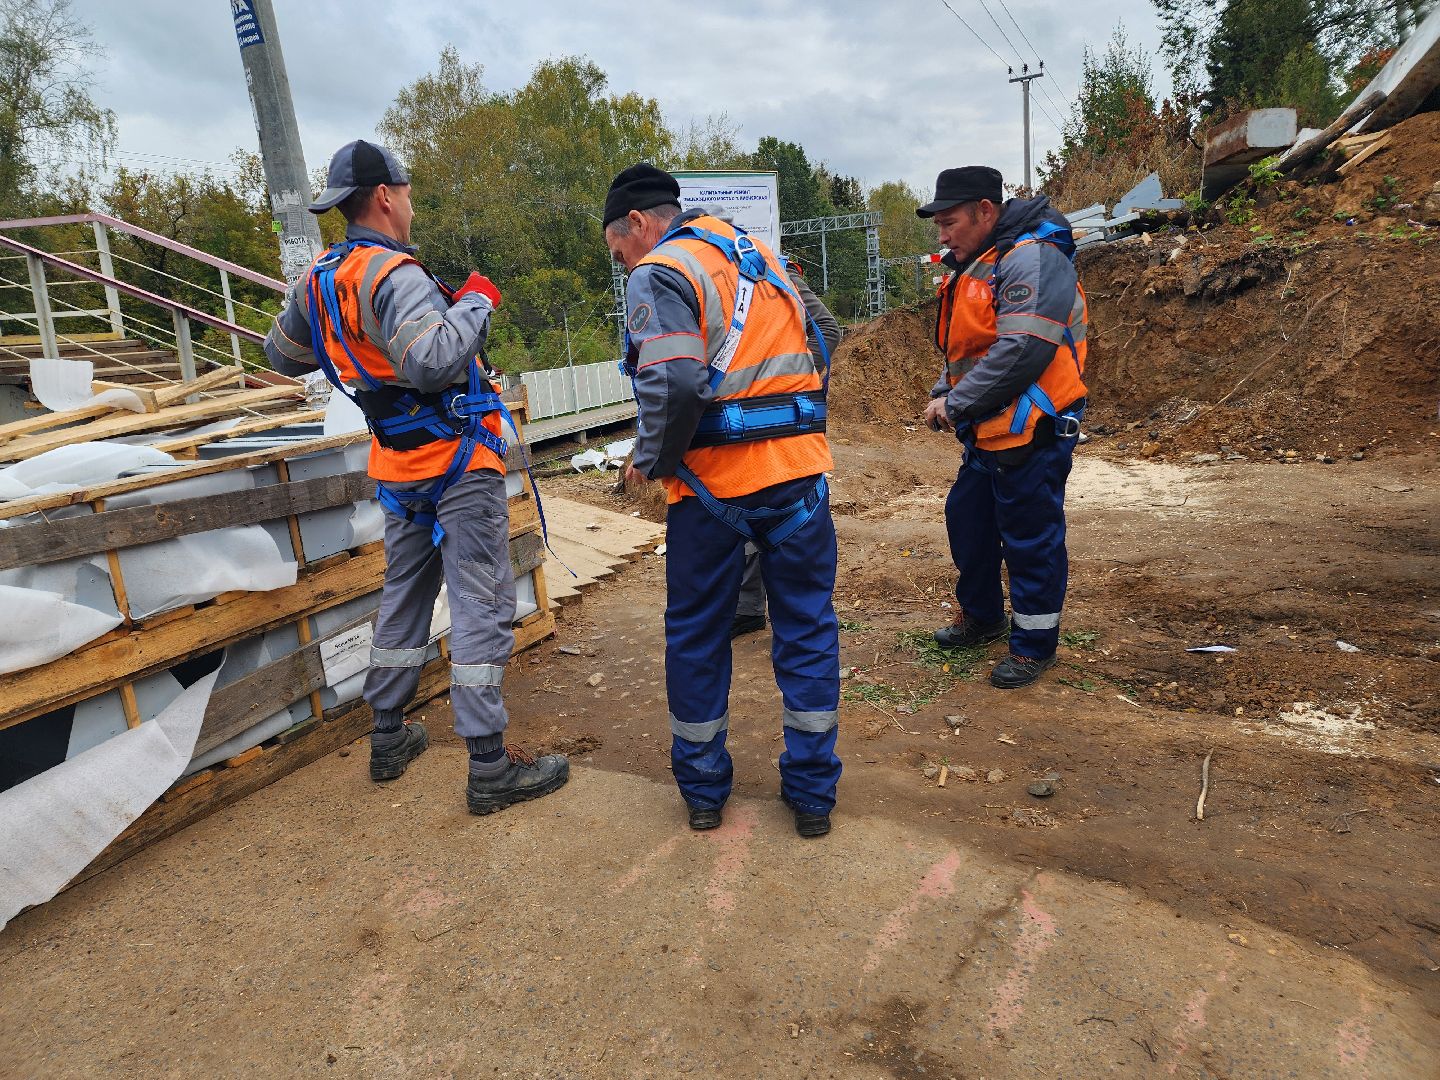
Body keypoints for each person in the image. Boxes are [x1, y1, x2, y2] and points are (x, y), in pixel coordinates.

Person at [263, 139, 568, 811]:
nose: (409, 203)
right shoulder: (393, 274)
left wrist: (356, 342)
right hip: (458, 464)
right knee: (480, 601)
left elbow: (280, 355)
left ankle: (388, 735)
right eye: (406, 191)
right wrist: (475, 303)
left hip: (398, 470)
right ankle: (489, 767)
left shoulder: (321, 278)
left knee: (404, 595)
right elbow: (431, 363)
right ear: (384, 196)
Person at [602, 163, 841, 837]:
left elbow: (675, 382)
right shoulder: (756, 253)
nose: (624, 266)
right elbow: (826, 332)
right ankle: (813, 797)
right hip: (800, 479)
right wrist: (788, 414)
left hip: (712, 490)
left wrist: (652, 458)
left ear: (638, 224)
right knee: (807, 629)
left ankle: (705, 791)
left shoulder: (660, 271)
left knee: (698, 636)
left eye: (619, 252)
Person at [918, 166, 1088, 690]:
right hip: (991, 429)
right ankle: (983, 617)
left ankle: (1034, 646)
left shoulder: (1031, 258)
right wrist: (945, 391)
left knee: (1030, 540)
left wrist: (956, 403)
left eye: (949, 223)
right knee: (968, 521)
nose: (942, 237)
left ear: (985, 211)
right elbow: (971, 349)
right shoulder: (983, 263)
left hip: (1033, 429)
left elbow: (1022, 349)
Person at [732, 251, 841, 638]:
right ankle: (748, 607)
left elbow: (826, 329)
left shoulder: (773, 273)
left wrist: (786, 382)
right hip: (748, 421)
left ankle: (794, 621)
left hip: (781, 419)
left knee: (781, 511)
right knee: (746, 504)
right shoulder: (723, 276)